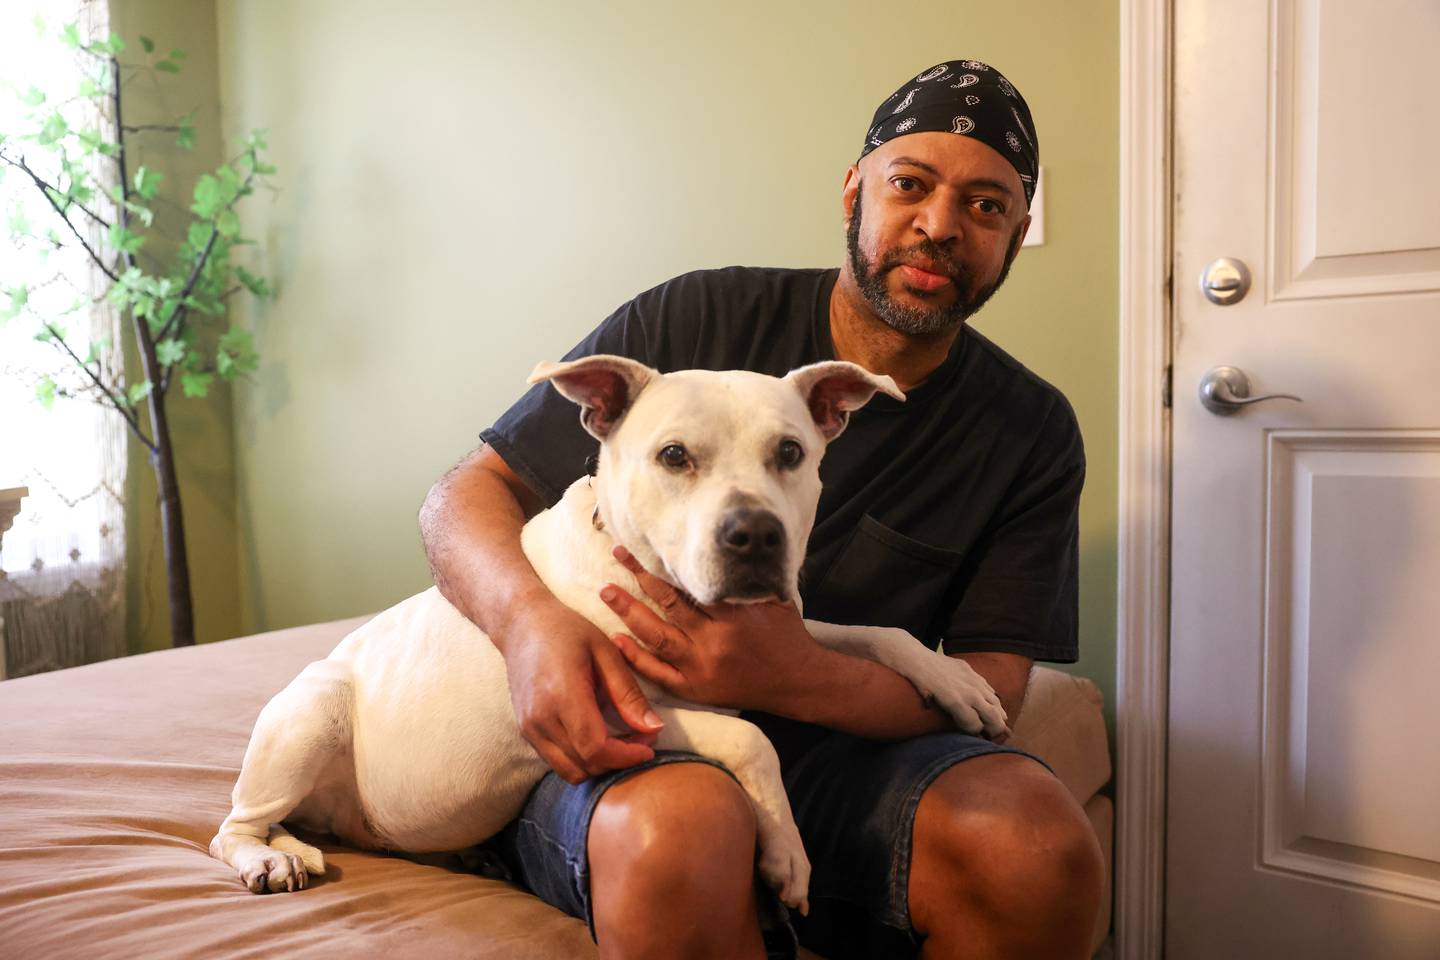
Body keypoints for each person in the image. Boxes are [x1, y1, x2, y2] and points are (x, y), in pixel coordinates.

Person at [419, 59, 1104, 960]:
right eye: (911, 185)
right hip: (621, 729)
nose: (939, 226)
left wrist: (778, 677)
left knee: (1037, 851)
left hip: (841, 747)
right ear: (855, 190)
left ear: (1014, 238)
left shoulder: (1029, 429)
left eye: (986, 206)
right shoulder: (692, 319)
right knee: (685, 827)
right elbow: (465, 496)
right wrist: (529, 625)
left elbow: (991, 690)